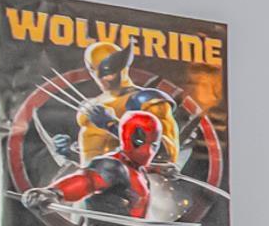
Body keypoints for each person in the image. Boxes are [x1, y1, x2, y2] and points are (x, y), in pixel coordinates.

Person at [55, 39, 181, 167]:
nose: (106, 78)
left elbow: (166, 154)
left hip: (132, 183)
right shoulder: (91, 106)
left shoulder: (147, 100)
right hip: (93, 183)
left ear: (124, 66)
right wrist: (69, 153)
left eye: (110, 71)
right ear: (92, 71)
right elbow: (92, 159)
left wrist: (112, 125)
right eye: (98, 72)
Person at [24, 110, 163, 221]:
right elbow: (88, 180)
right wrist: (55, 193)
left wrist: (160, 169)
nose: (149, 150)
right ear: (128, 138)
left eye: (154, 144)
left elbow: (135, 171)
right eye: (142, 142)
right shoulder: (112, 166)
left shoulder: (137, 168)